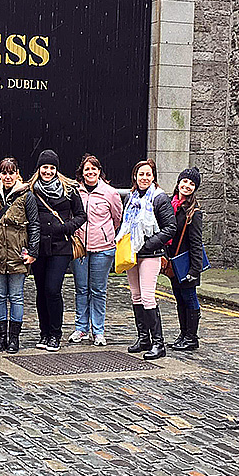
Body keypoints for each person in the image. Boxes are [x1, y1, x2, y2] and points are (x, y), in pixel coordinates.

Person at [0, 157, 38, 354]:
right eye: (4, 173)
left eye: (11, 173)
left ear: (17, 174)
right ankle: (1, 336)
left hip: (17, 250)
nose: (8, 177)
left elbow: (34, 224)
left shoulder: (26, 195)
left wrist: (33, 251)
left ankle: (14, 337)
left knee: (16, 296)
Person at [117, 158, 177, 359]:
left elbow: (170, 228)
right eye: (141, 174)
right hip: (132, 252)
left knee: (147, 296)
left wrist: (148, 244)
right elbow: (125, 223)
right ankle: (144, 339)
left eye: (148, 174)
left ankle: (159, 344)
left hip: (151, 253)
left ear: (153, 177)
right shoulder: (130, 197)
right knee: (135, 295)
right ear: (135, 176)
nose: (144, 178)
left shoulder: (160, 198)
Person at [29, 150, 86, 352]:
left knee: (52, 289)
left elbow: (81, 215)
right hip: (39, 246)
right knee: (41, 290)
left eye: (52, 168)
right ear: (39, 168)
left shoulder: (69, 189)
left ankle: (55, 334)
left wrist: (66, 227)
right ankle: (44, 332)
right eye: (45, 167)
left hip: (61, 246)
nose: (48, 171)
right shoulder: (31, 190)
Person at [69, 154, 123, 346]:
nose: (90, 172)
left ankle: (98, 330)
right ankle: (81, 328)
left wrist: (105, 234)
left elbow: (117, 218)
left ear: (99, 171)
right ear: (82, 173)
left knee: (98, 290)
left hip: (103, 248)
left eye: (94, 169)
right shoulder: (75, 192)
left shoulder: (110, 193)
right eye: (87, 169)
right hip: (80, 248)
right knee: (81, 289)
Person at [166, 167, 206, 351]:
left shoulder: (194, 212)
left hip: (188, 264)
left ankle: (191, 338)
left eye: (192, 184)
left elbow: (197, 243)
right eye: (185, 181)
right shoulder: (171, 205)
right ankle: (183, 334)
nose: (187, 186)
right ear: (178, 182)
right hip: (173, 262)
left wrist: (194, 270)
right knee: (179, 299)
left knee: (189, 298)